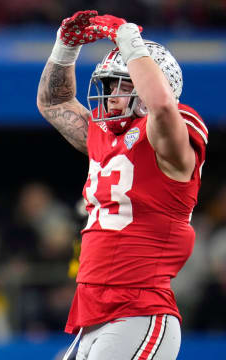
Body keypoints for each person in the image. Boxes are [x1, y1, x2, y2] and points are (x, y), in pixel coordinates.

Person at [37, 10, 208, 360]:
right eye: (109, 85)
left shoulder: (168, 134)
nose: (112, 95)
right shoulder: (106, 137)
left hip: (139, 310)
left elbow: (161, 106)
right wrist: (65, 48)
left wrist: (128, 40)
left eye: (124, 84)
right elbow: (52, 102)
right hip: (95, 310)